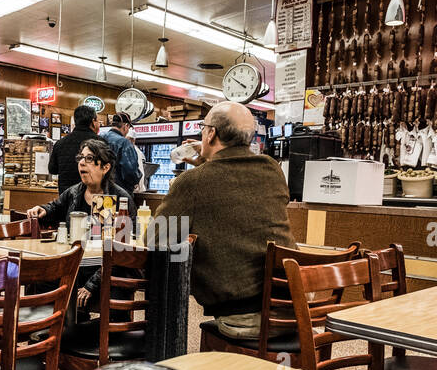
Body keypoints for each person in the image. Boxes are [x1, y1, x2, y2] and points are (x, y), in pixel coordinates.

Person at [149, 101, 295, 339]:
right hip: (293, 307)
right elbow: (236, 190)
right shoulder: (272, 169)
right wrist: (208, 159)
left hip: (242, 316)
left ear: (211, 133)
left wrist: (201, 166)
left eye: (203, 128)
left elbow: (157, 240)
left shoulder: (194, 181)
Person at [27, 138, 134, 310]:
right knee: (39, 279)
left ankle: (82, 331)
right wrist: (43, 209)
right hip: (76, 264)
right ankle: (49, 327)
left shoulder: (121, 199)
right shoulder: (74, 192)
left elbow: (124, 249)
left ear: (105, 167)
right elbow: (55, 207)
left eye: (89, 159)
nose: (82, 163)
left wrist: (92, 285)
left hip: (105, 269)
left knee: (115, 293)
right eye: (81, 158)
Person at [47, 105, 99, 193]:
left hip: (66, 196)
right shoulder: (100, 143)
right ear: (93, 121)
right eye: (97, 120)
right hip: (92, 196)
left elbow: (52, 169)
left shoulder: (60, 143)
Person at [98, 112, 142, 192]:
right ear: (126, 126)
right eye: (129, 128)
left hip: (98, 189)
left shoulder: (99, 138)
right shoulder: (124, 143)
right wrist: (136, 180)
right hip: (118, 191)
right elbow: (130, 171)